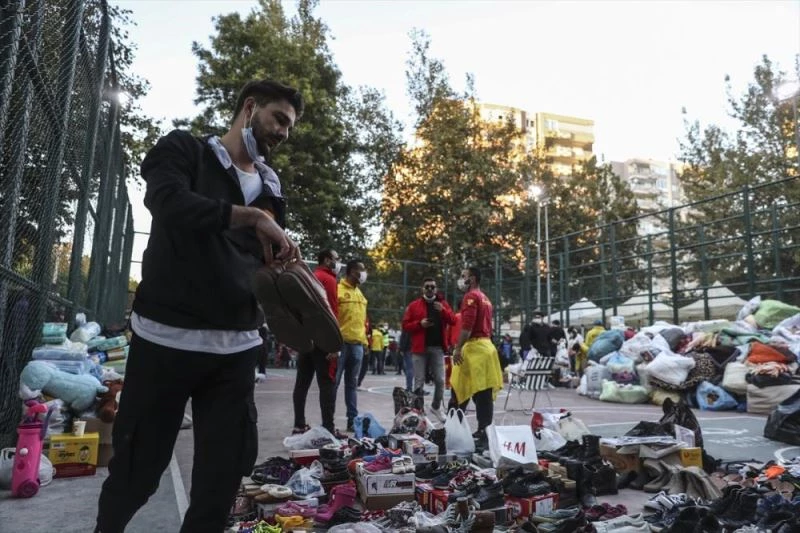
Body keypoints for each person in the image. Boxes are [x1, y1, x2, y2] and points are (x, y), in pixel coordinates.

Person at [96, 79, 304, 533]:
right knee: (136, 473)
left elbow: (256, 262)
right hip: (166, 341)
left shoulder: (271, 186)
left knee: (220, 481)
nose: (284, 133)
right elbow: (169, 204)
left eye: (290, 127)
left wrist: (286, 270)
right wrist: (249, 216)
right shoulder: (184, 150)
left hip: (235, 351)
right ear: (249, 108)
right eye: (279, 120)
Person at [450, 267, 504, 443]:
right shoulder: (485, 298)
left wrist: (458, 348)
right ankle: (484, 431)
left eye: (463, 276)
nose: (461, 279)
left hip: (475, 349)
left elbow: (467, 326)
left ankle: (453, 428)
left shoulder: (471, 297)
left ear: (472, 279)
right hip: (487, 349)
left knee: (459, 389)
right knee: (484, 393)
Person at [291, 249, 341, 435]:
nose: (338, 262)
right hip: (324, 338)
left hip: (306, 337)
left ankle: (299, 424)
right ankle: (328, 427)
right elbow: (332, 312)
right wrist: (334, 343)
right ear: (327, 260)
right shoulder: (329, 280)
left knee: (302, 382)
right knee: (327, 382)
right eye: (336, 259)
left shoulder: (308, 277)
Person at [401, 277, 456, 423]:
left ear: (436, 289)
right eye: (427, 287)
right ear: (423, 289)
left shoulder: (442, 304)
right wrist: (420, 324)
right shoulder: (414, 305)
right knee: (418, 381)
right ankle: (419, 411)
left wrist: (443, 311)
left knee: (440, 380)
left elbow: (453, 320)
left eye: (433, 287)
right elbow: (405, 325)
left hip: (437, 348)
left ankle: (436, 407)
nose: (430, 289)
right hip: (419, 348)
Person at [336, 260, 368, 432]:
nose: (363, 274)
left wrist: (365, 342)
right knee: (333, 383)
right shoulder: (338, 291)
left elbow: (362, 321)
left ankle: (352, 420)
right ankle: (329, 421)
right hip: (340, 344)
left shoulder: (360, 294)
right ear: (351, 272)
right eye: (360, 270)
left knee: (351, 385)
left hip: (357, 345)